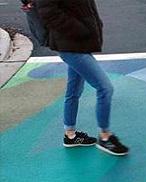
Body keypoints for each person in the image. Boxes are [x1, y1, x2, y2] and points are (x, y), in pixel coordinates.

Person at [21, 0, 129, 156]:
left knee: (74, 90)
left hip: (78, 43)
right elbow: (49, 13)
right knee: (105, 88)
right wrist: (80, 30)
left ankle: (70, 135)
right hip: (70, 44)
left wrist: (93, 26)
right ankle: (105, 137)